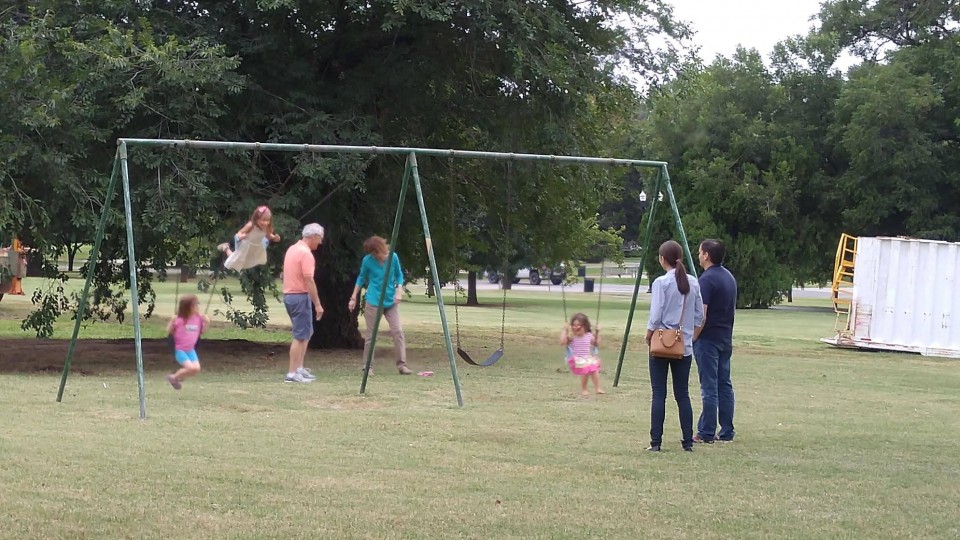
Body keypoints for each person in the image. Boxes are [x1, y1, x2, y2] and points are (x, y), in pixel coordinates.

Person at [645, 240, 704, 452]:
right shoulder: (693, 283)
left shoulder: (661, 283)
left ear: (662, 259)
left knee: (658, 393)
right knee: (682, 394)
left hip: (661, 342)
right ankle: (687, 442)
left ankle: (656, 442)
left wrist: (649, 334)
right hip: (684, 345)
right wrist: (690, 336)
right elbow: (700, 316)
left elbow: (656, 314)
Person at [693, 239, 738, 443]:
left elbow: (702, 314)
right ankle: (726, 430)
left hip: (708, 339)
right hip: (725, 338)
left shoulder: (706, 280)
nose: (698, 254)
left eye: (700, 252)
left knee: (709, 386)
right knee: (724, 384)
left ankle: (706, 431)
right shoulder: (729, 277)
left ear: (706, 255)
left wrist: (694, 336)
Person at [347, 236, 413, 375]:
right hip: (373, 302)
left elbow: (399, 275)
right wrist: (353, 297)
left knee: (398, 332)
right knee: (372, 335)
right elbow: (361, 278)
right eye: (373, 253)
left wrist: (399, 291)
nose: (376, 256)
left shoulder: (393, 257)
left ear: (382, 249)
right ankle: (367, 366)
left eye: (377, 252)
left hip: (390, 302)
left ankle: (402, 365)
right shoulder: (368, 261)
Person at [282, 223, 325, 383]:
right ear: (313, 236)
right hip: (299, 296)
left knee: (306, 332)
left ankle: (299, 368)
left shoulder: (292, 249)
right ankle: (292, 374)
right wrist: (318, 304)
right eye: (319, 238)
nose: (320, 242)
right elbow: (309, 280)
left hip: (290, 296)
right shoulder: (306, 254)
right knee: (300, 336)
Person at [165, 294, 209, 390]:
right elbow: (168, 331)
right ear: (187, 307)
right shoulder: (179, 320)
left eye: (198, 304)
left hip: (190, 350)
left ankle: (177, 378)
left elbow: (202, 332)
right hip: (180, 350)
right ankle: (173, 377)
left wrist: (207, 323)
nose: (197, 307)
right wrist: (172, 321)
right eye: (194, 305)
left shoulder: (198, 319)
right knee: (191, 368)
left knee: (196, 369)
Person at [217, 206, 281, 271]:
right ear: (257, 218)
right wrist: (241, 236)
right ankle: (225, 247)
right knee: (235, 260)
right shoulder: (251, 225)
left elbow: (268, 235)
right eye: (263, 220)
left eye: (268, 220)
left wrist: (275, 238)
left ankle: (226, 248)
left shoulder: (267, 227)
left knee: (246, 263)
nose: (265, 223)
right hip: (246, 245)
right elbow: (240, 232)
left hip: (256, 247)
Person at [560, 312, 604, 396]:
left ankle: (598, 388)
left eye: (578, 325)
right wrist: (564, 330)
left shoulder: (589, 335)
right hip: (576, 359)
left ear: (585, 326)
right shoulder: (572, 336)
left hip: (586, 358)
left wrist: (598, 332)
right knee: (586, 368)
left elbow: (596, 344)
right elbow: (562, 342)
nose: (576, 327)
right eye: (574, 325)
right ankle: (584, 389)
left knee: (594, 369)